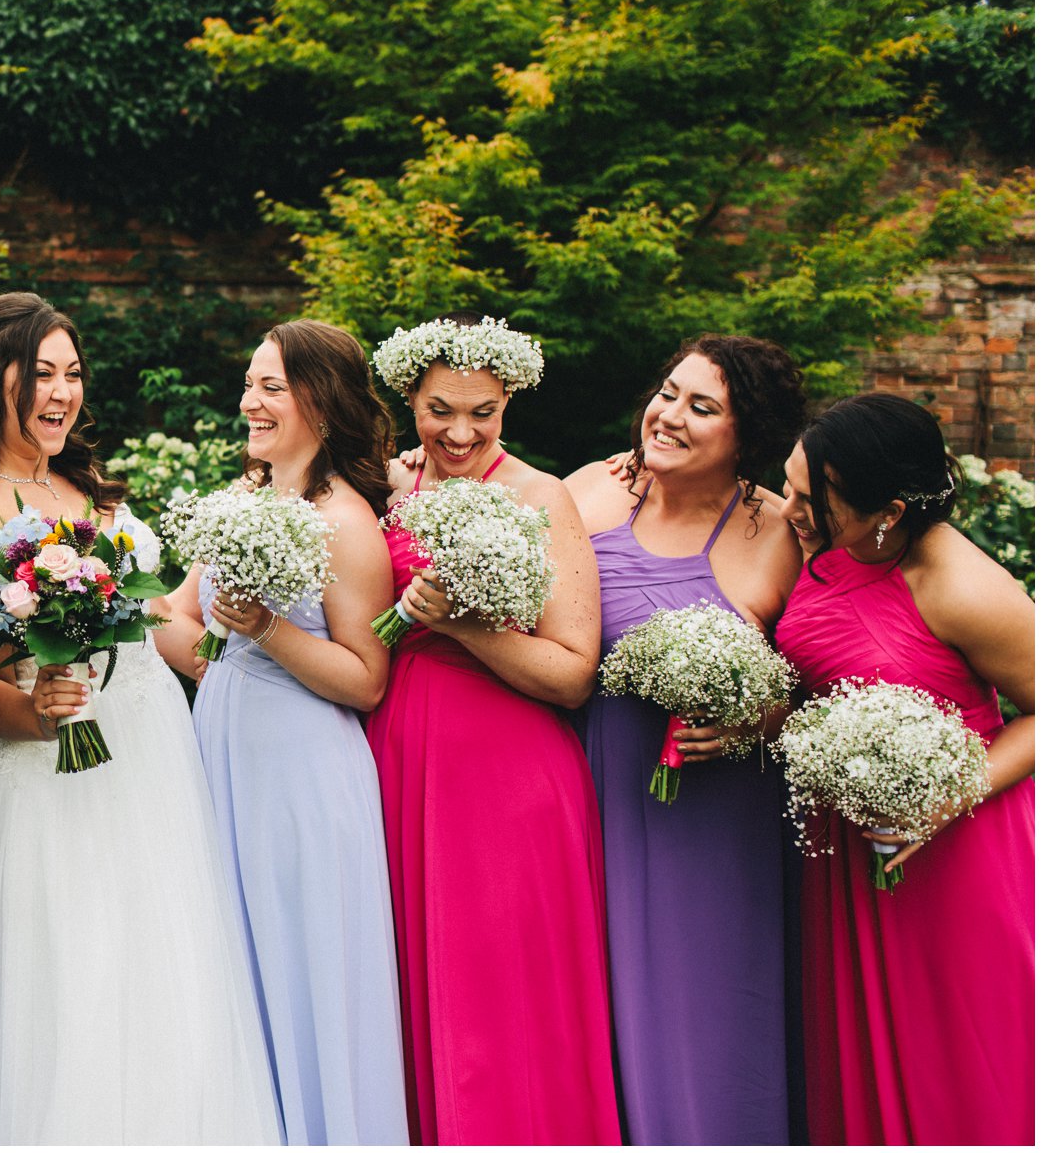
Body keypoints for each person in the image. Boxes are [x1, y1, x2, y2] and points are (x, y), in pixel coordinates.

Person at [0, 292, 279, 1145]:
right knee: (75, 982)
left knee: (166, 970)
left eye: (73, 374)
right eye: (40, 374)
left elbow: (159, 626)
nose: (61, 392)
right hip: (50, 779)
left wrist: (246, 601)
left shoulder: (85, 483)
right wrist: (38, 714)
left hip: (149, 759)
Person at [364, 313, 619, 1144]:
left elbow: (575, 672)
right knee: (411, 978)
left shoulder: (541, 498)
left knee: (500, 986)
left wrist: (466, 625)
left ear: (509, 403)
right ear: (411, 400)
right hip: (400, 752)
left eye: (484, 411)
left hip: (507, 772)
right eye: (441, 409)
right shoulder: (394, 489)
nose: (461, 431)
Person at [158, 320, 408, 1145]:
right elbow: (180, 620)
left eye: (270, 387)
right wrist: (99, 587)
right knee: (226, 954)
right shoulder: (240, 501)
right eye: (250, 384)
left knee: (302, 963)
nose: (249, 403)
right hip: (222, 746)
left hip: (303, 767)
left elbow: (368, 679)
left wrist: (266, 630)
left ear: (320, 403)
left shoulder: (345, 520)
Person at [774, 392, 1034, 1145]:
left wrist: (944, 800)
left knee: (956, 1071)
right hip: (849, 850)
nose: (789, 508)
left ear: (887, 510)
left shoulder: (965, 589)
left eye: (810, 500)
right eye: (789, 485)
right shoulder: (831, 544)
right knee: (859, 1063)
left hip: (954, 850)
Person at [565, 334, 806, 1143]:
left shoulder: (777, 530)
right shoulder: (592, 492)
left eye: (702, 407)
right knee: (593, 1010)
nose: (667, 416)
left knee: (710, 1014)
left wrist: (752, 718)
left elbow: (819, 679)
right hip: (590, 797)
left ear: (749, 435)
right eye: (668, 392)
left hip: (716, 816)